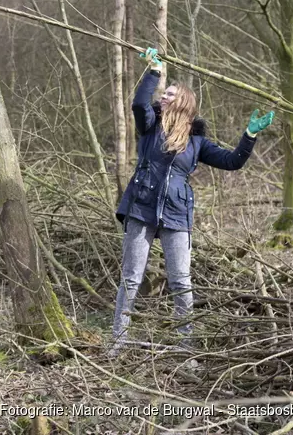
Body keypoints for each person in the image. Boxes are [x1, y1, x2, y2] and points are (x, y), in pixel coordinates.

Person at [110, 47, 274, 355]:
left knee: (182, 283)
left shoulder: (196, 142)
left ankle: (187, 347)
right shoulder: (149, 126)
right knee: (131, 279)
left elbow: (233, 161)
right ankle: (118, 342)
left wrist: (249, 134)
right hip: (142, 208)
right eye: (164, 93)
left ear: (183, 102)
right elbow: (137, 102)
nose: (164, 97)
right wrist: (155, 72)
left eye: (170, 94)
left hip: (177, 215)